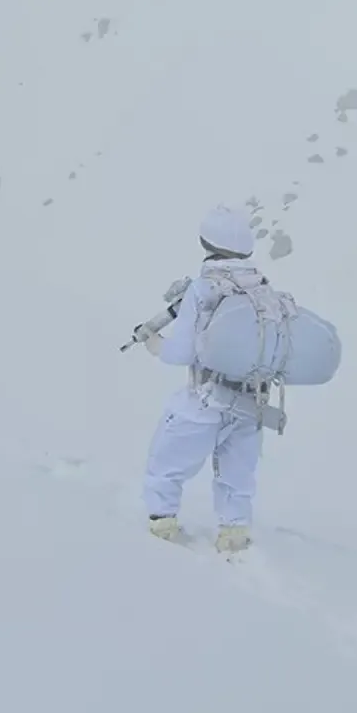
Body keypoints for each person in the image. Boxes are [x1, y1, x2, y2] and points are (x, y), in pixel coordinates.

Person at [138, 204, 273, 553]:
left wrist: (153, 343)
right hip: (250, 401)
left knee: (166, 462)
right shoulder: (262, 287)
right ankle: (234, 536)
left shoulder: (203, 289)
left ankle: (162, 529)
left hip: (205, 398)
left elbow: (179, 353)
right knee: (237, 475)